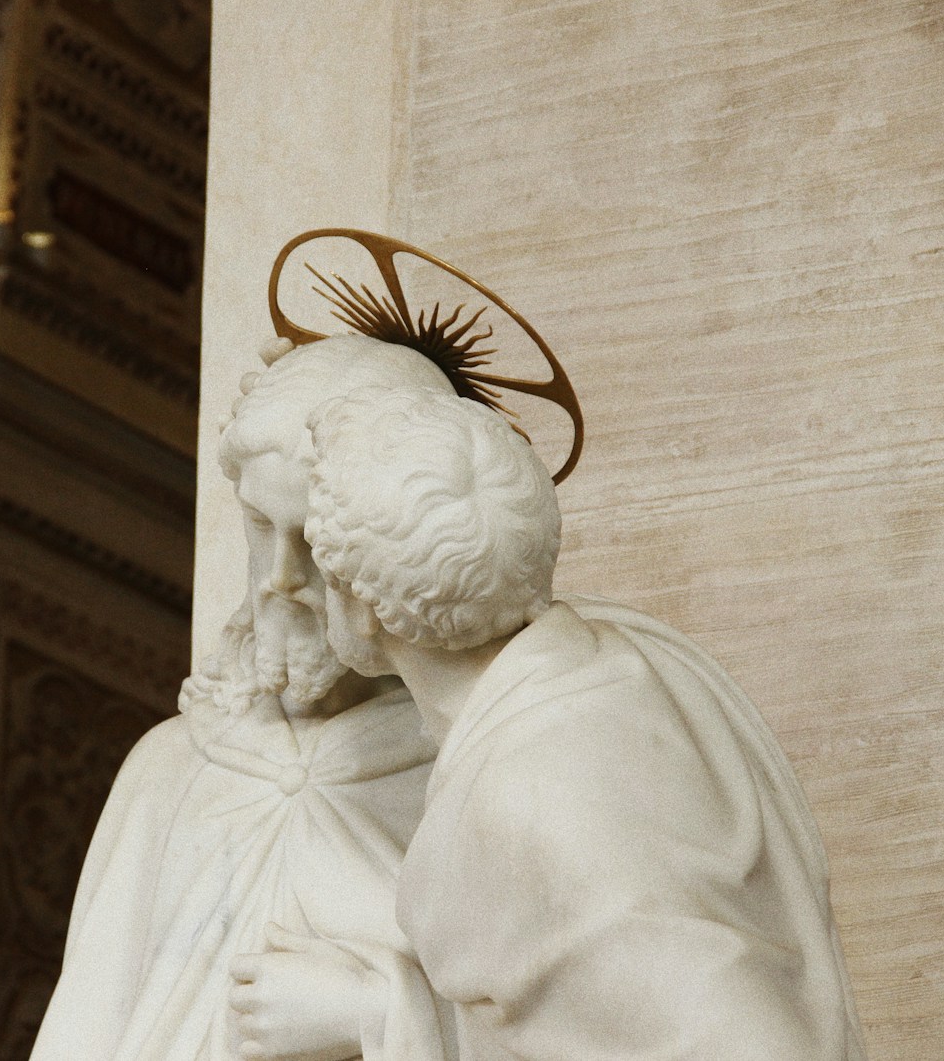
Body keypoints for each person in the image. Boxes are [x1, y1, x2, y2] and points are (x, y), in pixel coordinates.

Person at [304, 386, 867, 1060]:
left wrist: (384, 1013)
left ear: (364, 606)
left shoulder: (530, 799)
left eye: (314, 560)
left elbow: (746, 1039)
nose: (294, 584)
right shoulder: (630, 658)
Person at [30, 335, 459, 1061]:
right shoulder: (169, 770)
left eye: (316, 539)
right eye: (261, 525)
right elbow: (82, 1033)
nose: (281, 576)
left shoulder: (463, 780)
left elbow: (564, 1032)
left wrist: (378, 1010)